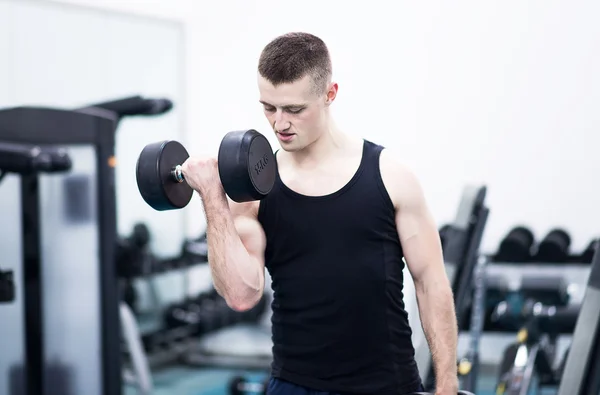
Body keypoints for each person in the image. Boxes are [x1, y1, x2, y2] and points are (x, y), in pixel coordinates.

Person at [181, 32, 459, 395]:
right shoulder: (255, 194)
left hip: (388, 383)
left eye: (294, 110)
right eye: (269, 107)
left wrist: (447, 382)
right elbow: (240, 295)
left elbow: (430, 281)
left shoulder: (391, 176)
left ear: (330, 94)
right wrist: (213, 200)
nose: (279, 123)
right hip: (295, 384)